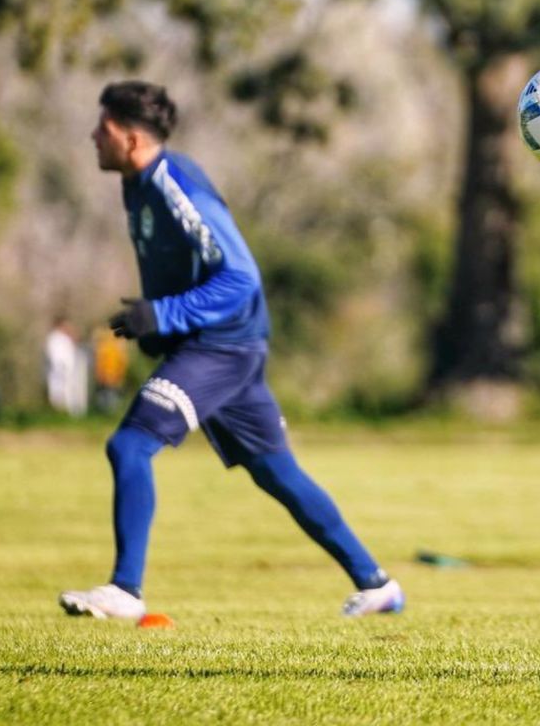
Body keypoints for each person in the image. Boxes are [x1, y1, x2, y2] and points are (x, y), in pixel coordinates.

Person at [59, 80, 403, 621]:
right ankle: (376, 583)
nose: (92, 138)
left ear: (129, 138)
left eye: (102, 130)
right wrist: (161, 320)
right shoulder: (136, 184)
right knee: (276, 473)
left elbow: (240, 277)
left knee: (129, 446)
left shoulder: (175, 185)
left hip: (221, 346)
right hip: (224, 346)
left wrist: (167, 315)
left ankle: (125, 589)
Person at [44, 316, 88, 416]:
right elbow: (55, 356)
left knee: (72, 392)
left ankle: (72, 412)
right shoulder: (55, 338)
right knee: (58, 392)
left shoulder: (67, 339)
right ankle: (59, 412)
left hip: (70, 370)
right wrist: (60, 366)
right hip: (59, 370)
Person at [92, 326, 129, 415]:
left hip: (112, 375)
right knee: (106, 394)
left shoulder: (112, 346)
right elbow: (100, 362)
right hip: (107, 374)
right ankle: (105, 413)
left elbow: (121, 363)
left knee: (110, 394)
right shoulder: (107, 346)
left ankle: (109, 413)